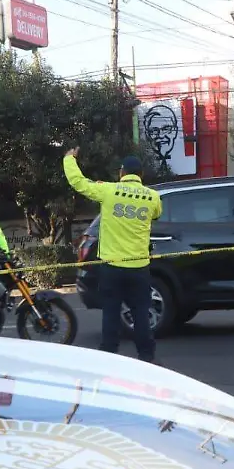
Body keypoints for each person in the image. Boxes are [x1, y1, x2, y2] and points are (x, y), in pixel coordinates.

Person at [63, 148, 162, 363]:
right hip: (139, 267)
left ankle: (109, 355)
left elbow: (79, 182)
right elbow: (157, 214)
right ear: (141, 175)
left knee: (111, 312)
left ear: (121, 173)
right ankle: (147, 356)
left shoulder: (108, 191)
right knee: (141, 313)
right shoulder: (153, 197)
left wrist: (69, 159)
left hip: (112, 267)